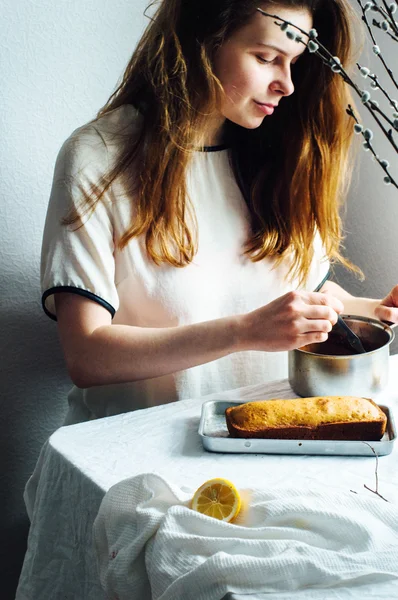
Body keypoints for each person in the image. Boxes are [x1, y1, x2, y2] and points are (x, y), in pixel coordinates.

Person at [41, 0, 398, 425]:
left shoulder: (276, 157)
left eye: (295, 63)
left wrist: (373, 311)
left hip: (256, 440)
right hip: (136, 452)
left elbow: (292, 294)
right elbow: (87, 356)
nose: (287, 84)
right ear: (202, 42)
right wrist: (243, 332)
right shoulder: (98, 159)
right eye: (267, 58)